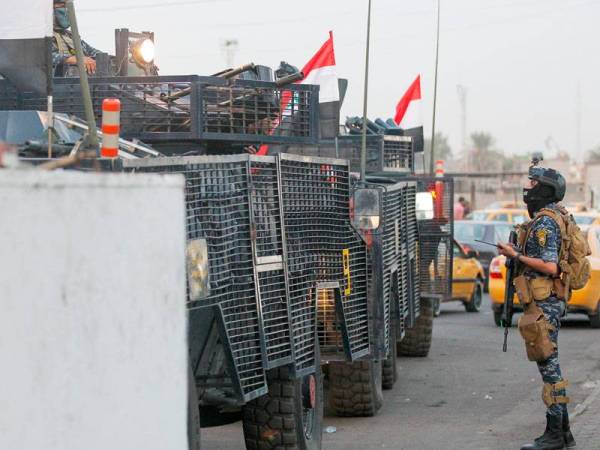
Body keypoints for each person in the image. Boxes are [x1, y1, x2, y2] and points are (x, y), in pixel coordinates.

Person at [497, 166, 575, 450]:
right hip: (548, 302)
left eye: (532, 183)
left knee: (549, 366)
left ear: (544, 189)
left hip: (545, 303)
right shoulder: (554, 216)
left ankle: (554, 435)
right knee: (549, 361)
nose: (527, 188)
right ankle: (564, 433)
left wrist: (516, 254)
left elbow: (550, 266)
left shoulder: (545, 223)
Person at [52, 0, 100, 76]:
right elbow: (46, 58)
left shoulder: (70, 36)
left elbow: (93, 52)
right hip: (57, 85)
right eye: (61, 5)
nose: (66, 9)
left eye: (67, 5)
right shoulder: (41, 37)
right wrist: (74, 59)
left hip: (79, 83)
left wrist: (111, 58)